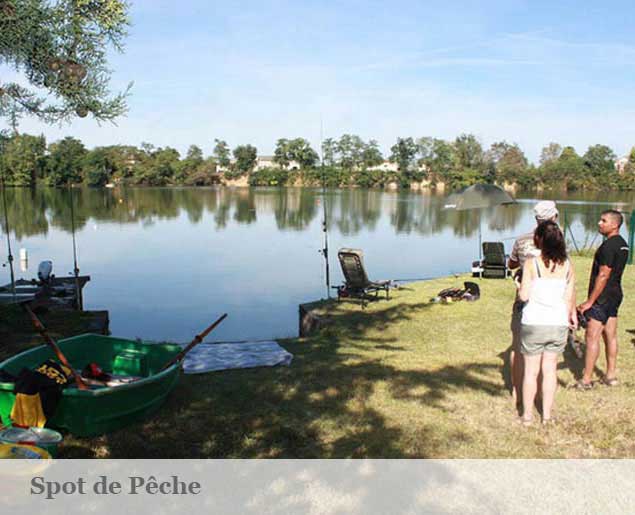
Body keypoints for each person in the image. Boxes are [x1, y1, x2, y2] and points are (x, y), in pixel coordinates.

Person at [518, 221, 577, 425]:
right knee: (550, 370)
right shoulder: (568, 265)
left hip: (534, 322)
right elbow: (569, 299)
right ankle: (547, 416)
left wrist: (518, 285)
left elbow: (524, 296)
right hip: (557, 323)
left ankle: (527, 416)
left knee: (531, 371)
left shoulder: (531, 263)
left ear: (539, 240)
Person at [508, 200, 559, 406]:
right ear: (554, 217)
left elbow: (511, 263)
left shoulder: (521, 240)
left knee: (518, 347)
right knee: (546, 353)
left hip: (524, 300)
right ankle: (537, 394)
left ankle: (516, 391)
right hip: (550, 304)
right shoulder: (558, 240)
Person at [576, 210, 629, 389]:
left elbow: (604, 274)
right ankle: (611, 375)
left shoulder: (608, 246)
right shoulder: (623, 244)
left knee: (592, 337)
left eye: (603, 221)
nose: (599, 223)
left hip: (603, 297)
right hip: (615, 295)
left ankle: (586, 379)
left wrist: (590, 301)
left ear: (615, 225)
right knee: (610, 335)